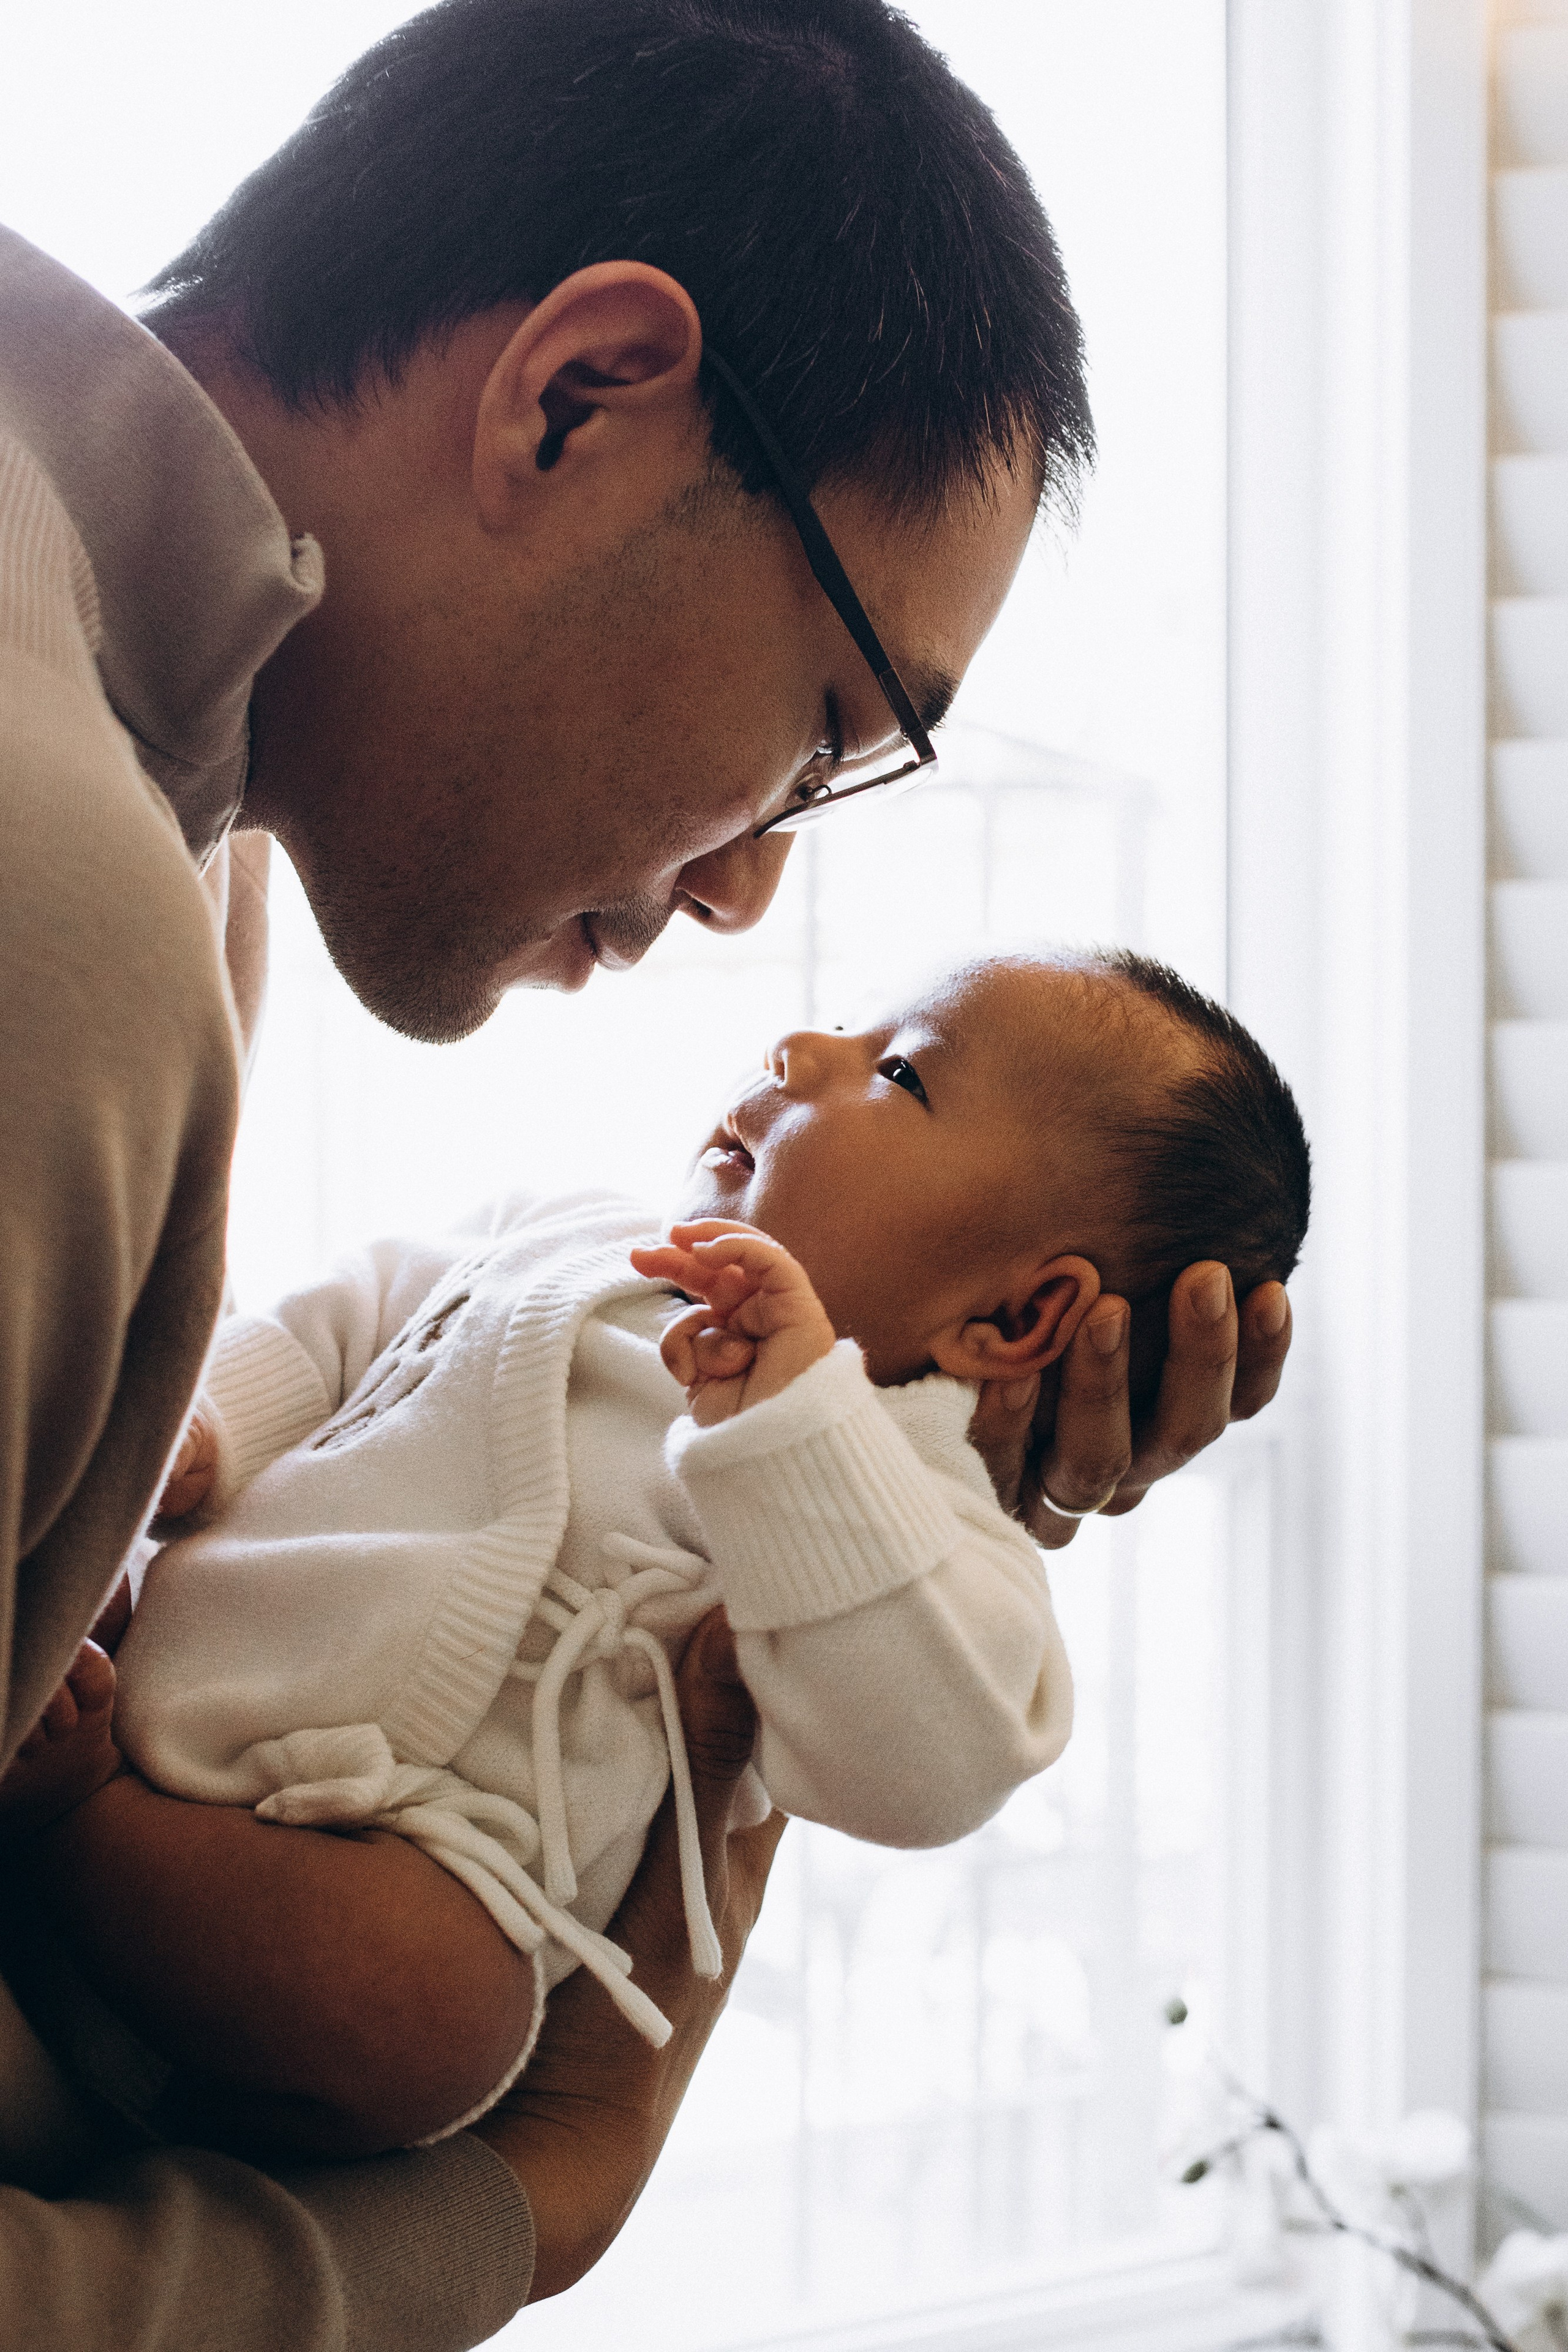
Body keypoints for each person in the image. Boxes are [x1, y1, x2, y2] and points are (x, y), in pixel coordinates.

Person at [0, 0, 1292, 2341]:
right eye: (826, 730)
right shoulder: (55, 887)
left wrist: (871, 1515)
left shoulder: (172, 810)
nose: (738, 902)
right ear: (581, 395)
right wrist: (528, 2206)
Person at [4, 951, 1310, 2166]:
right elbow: (354, 1313)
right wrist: (207, 1423)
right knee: (81, 1544)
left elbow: (925, 1772)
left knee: (444, 2009)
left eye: (897, 1072)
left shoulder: (919, 1509)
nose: (799, 1047)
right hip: (157, 1672)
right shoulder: (570, 1233)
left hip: (370, 1887)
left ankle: (72, 1822)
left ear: (1018, 1318)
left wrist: (796, 1427)